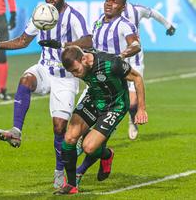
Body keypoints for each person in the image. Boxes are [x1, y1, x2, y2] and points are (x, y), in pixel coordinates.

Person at [0, 0, 92, 189]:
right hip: (45, 69)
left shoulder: (73, 16)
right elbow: (22, 40)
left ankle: (59, 171)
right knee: (25, 80)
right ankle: (16, 131)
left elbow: (89, 40)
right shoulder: (41, 14)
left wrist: (63, 44)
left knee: (59, 128)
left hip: (65, 77)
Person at [54, 46, 147, 195]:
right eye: (72, 72)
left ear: (84, 59)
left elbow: (137, 78)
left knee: (89, 147)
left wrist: (141, 109)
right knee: (69, 137)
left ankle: (107, 154)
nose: (76, 75)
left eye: (76, 70)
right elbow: (77, 45)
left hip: (115, 106)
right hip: (94, 99)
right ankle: (71, 185)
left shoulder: (112, 64)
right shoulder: (80, 60)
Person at [110, 0, 176, 140]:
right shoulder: (106, 13)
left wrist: (168, 25)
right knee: (112, 99)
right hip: (116, 60)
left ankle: (132, 120)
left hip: (135, 60)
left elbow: (153, 13)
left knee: (132, 103)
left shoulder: (136, 10)